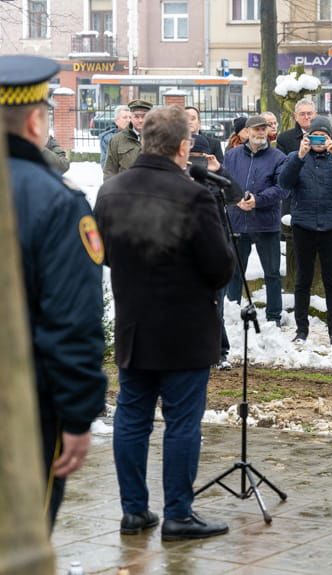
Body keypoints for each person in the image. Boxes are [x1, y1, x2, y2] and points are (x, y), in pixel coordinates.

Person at [95, 104, 234, 541]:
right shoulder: (194, 194)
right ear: (182, 146)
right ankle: (178, 513)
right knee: (181, 423)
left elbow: (101, 253)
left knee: (131, 418)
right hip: (185, 329)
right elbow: (219, 268)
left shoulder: (111, 191)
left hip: (135, 324)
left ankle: (134, 512)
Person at [2, 54, 107, 527]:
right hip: (24, 410)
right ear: (35, 119)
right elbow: (71, 321)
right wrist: (78, 416)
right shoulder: (58, 202)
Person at [279, 116, 332, 346]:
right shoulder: (296, 157)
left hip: (331, 226)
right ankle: (301, 330)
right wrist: (300, 156)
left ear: (331, 137)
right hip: (304, 225)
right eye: (315, 136)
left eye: (324, 136)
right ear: (307, 137)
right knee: (303, 280)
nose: (319, 140)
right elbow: (284, 183)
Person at [224, 115, 289, 325]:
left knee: (271, 273)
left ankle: (274, 317)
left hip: (265, 222)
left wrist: (258, 201)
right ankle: (232, 313)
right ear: (247, 131)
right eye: (256, 129)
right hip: (237, 220)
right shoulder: (232, 155)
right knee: (235, 272)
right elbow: (225, 183)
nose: (260, 133)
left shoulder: (278, 156)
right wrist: (236, 201)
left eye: (264, 129)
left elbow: (282, 188)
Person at [189, 134, 239, 371]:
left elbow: (236, 195)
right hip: (188, 249)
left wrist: (219, 170)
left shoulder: (215, 178)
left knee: (215, 304)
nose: (196, 162)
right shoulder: (179, 179)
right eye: (192, 158)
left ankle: (219, 351)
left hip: (216, 247)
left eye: (200, 157)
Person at [104, 99, 151, 180]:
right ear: (131, 117)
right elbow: (110, 171)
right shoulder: (117, 140)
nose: (140, 120)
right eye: (136, 116)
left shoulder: (158, 139)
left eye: (144, 116)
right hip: (125, 190)